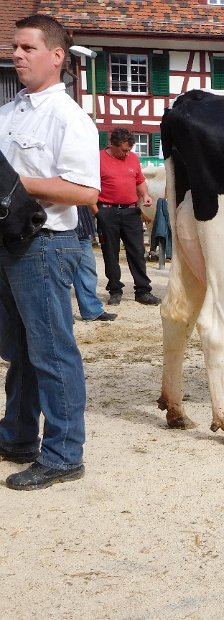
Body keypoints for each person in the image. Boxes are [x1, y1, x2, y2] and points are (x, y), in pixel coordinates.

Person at [0, 14, 100, 489]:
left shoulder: (69, 117)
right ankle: (17, 436)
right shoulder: (10, 111)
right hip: (9, 244)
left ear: (56, 56)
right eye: (15, 47)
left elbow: (84, 192)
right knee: (19, 352)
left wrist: (17, 186)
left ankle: (63, 455)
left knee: (53, 352)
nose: (16, 54)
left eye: (27, 48)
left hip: (43, 246)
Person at [95, 128, 160, 306]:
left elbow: (139, 181)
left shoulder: (133, 158)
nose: (127, 153)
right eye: (124, 150)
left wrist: (145, 195)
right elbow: (91, 186)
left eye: (129, 150)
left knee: (138, 252)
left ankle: (143, 291)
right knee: (110, 253)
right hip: (107, 211)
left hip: (131, 211)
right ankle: (115, 290)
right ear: (112, 145)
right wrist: (96, 212)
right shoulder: (98, 159)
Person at [74, 204, 117, 321]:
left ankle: (92, 311)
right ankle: (62, 315)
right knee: (59, 275)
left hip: (82, 228)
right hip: (59, 230)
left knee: (88, 270)